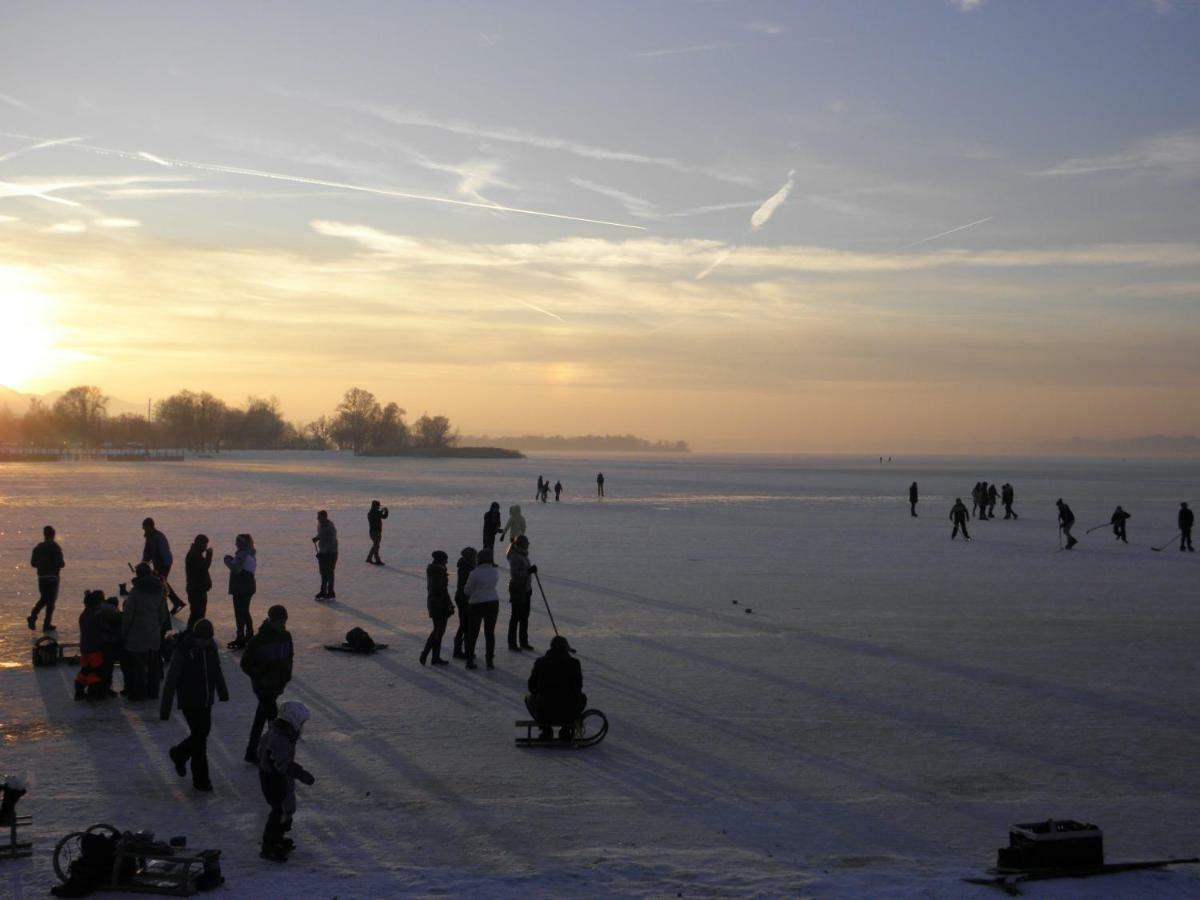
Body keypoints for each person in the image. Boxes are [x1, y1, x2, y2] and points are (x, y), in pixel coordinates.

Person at [161, 618, 228, 793]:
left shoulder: (211, 649)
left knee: (202, 734)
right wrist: (165, 708)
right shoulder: (184, 650)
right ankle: (201, 780)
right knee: (200, 739)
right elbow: (171, 679)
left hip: (206, 700)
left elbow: (216, 670)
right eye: (202, 639)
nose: (205, 642)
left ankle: (179, 754)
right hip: (189, 701)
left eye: (208, 639)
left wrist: (222, 691)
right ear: (195, 636)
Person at [258, 700, 315, 863]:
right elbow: (283, 763)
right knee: (278, 811)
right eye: (301, 723)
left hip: (278, 777)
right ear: (293, 721)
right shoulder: (279, 739)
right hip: (273, 780)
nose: (303, 727)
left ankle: (278, 839)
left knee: (285, 809)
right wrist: (302, 774)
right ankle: (269, 846)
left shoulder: (283, 734)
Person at [240, 604, 293, 764]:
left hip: (277, 685)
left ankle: (252, 752)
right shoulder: (258, 640)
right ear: (271, 621)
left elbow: (290, 656)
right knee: (273, 720)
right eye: (280, 622)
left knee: (261, 718)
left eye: (284, 622)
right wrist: (259, 675)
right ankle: (271, 753)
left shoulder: (286, 636)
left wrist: (287, 675)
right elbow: (245, 664)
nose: (283, 625)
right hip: (263, 688)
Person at [120, 564, 170, 701]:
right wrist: (157, 626)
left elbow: (128, 614)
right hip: (153, 632)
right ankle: (153, 692)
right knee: (153, 665)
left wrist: (124, 632)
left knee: (138, 665)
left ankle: (138, 692)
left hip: (137, 633)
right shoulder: (160, 589)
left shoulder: (135, 592)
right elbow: (163, 613)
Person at [525, 635, 587, 741]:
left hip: (544, 709)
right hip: (567, 709)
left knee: (529, 698)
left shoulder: (540, 662)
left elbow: (532, 686)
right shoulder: (574, 663)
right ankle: (566, 729)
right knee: (582, 698)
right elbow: (578, 687)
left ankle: (546, 729)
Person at [463, 547, 500, 670]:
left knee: (473, 633)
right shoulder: (494, 572)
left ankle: (469, 660)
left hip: (476, 603)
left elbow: (467, 590)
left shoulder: (474, 573)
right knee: (490, 633)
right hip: (492, 602)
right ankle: (490, 660)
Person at [75, 590, 114, 701]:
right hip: (96, 649)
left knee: (85, 670)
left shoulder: (84, 614)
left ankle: (80, 690)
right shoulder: (97, 615)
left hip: (85, 648)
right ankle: (95, 692)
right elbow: (104, 628)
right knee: (98, 671)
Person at [142, 517, 183, 615]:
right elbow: (147, 553)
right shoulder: (150, 536)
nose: (144, 530)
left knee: (160, 583)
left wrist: (145, 564)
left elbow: (157, 553)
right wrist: (143, 564)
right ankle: (176, 602)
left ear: (150, 526)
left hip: (164, 563)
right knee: (162, 582)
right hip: (160, 563)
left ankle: (169, 604)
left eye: (145, 528)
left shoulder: (157, 537)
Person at [28, 525, 65, 632]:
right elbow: (60, 563)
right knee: (50, 602)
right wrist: (60, 564)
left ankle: (33, 617)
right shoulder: (55, 547)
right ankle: (45, 624)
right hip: (52, 577)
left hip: (42, 577)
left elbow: (33, 563)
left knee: (44, 599)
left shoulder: (38, 547)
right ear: (53, 534)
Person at [224, 534, 258, 649]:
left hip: (241, 588)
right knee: (244, 612)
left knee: (240, 613)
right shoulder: (249, 553)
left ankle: (241, 638)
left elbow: (236, 569)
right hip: (247, 587)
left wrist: (227, 560)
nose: (235, 544)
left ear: (242, 543)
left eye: (237, 542)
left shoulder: (243, 554)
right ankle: (249, 635)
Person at [421, 551, 453, 666]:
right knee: (438, 630)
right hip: (439, 605)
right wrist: (448, 604)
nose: (447, 562)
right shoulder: (438, 572)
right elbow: (441, 590)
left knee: (439, 630)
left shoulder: (435, 570)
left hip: (435, 603)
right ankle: (426, 654)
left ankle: (434, 657)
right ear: (440, 560)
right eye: (445, 560)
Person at [506, 534, 536, 653]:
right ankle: (512, 643)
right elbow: (515, 575)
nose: (529, 544)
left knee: (524, 617)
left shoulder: (522, 554)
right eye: (527, 542)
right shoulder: (515, 556)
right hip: (518, 589)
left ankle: (524, 642)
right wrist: (528, 571)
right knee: (516, 617)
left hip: (526, 589)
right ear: (522, 544)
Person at [184, 535, 213, 632]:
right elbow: (203, 568)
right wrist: (209, 556)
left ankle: (193, 632)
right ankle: (192, 633)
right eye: (205, 544)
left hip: (197, 588)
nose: (205, 547)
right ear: (199, 544)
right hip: (196, 589)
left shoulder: (196, 554)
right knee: (197, 614)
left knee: (197, 613)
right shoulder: (194, 555)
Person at [452, 547, 476, 660]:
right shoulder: (465, 568)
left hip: (464, 598)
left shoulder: (467, 566)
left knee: (465, 625)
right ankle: (459, 650)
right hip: (463, 599)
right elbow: (464, 586)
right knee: (465, 625)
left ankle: (463, 649)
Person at [312, 510, 338, 600]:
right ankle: (323, 591)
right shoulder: (320, 524)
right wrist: (317, 538)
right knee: (323, 572)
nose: (317, 518)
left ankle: (330, 592)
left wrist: (324, 553)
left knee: (329, 572)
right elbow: (320, 534)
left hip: (331, 553)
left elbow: (332, 542)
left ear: (324, 517)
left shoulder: (330, 528)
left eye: (319, 517)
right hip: (323, 552)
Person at [366, 500, 388, 566]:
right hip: (375, 532)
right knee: (376, 546)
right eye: (378, 506)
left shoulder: (373, 512)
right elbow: (379, 516)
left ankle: (369, 558)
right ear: (375, 506)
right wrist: (383, 511)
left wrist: (385, 511)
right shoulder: (372, 513)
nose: (378, 507)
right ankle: (377, 560)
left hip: (375, 532)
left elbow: (383, 516)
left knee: (375, 545)